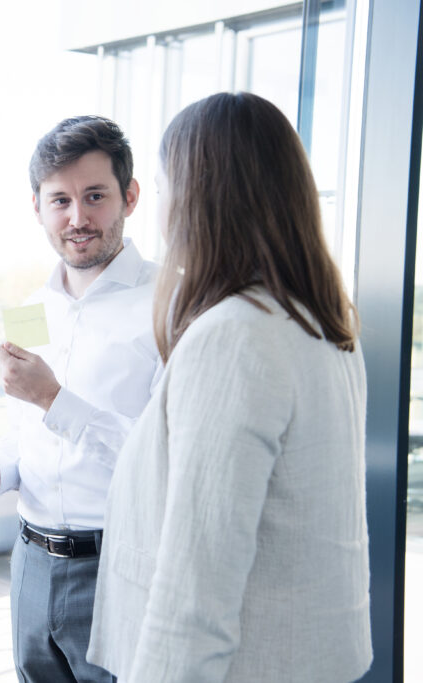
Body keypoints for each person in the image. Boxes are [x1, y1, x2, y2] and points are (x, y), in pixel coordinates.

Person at [87, 92, 372, 682]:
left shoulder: (235, 336)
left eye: (163, 187)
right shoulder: (319, 321)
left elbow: (197, 580)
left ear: (196, 196)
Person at [0, 115, 160, 682]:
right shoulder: (28, 306)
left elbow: (164, 462)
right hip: (29, 564)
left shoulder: (173, 302)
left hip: (120, 566)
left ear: (130, 196)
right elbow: (23, 428)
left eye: (95, 196)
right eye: (59, 200)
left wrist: (53, 397)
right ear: (38, 209)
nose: (77, 217)